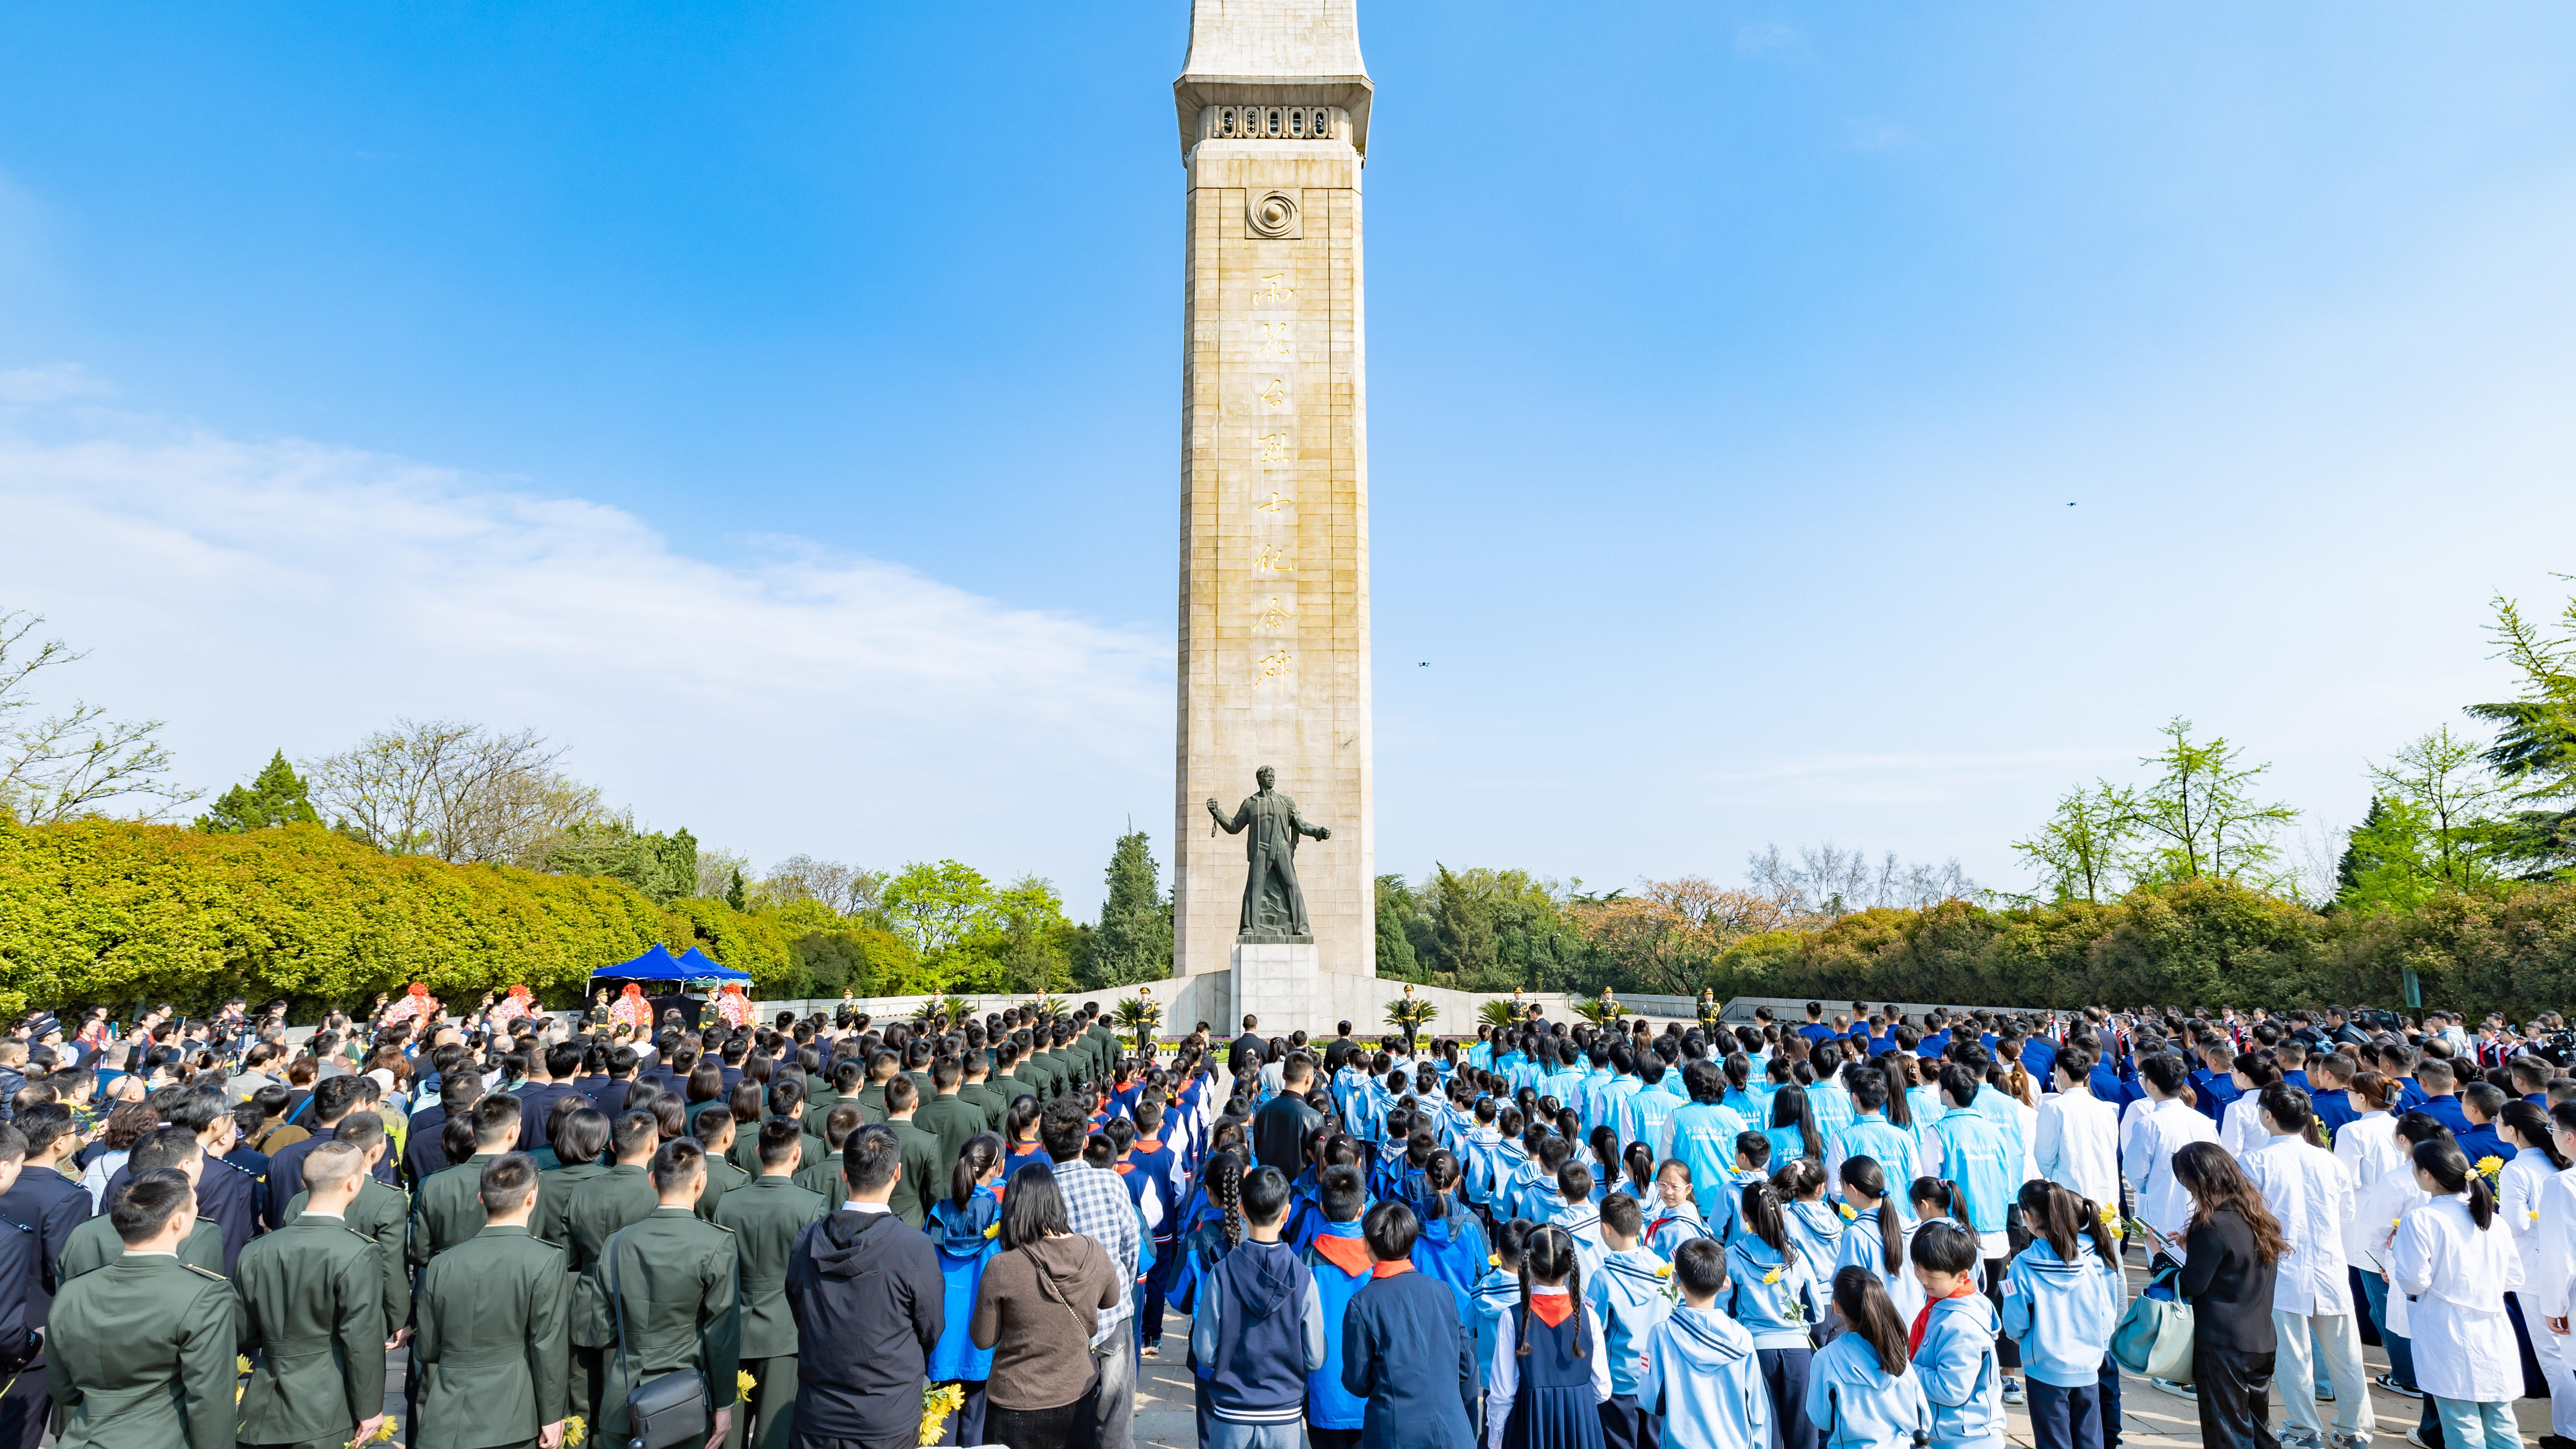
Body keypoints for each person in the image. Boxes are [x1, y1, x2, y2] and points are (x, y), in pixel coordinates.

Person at [42, 1170, 236, 1449]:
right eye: (194, 1205)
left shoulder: (74, 1290)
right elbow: (211, 1398)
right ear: (178, 1221)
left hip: (83, 1438)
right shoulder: (205, 1293)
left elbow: (63, 1388)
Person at [785, 1124, 946, 1449]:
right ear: (897, 1173)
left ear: (845, 1174)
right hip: (884, 1416)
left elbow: (799, 1307)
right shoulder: (913, 1246)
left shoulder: (806, 1239)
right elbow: (931, 1328)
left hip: (820, 1415)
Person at [2239, 1083, 2372, 1449]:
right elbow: (2346, 1213)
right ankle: (2354, 1429)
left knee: (2293, 1354)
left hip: (2281, 1268)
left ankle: (2304, 1429)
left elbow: (2247, 1219)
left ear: (2267, 1116)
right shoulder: (2328, 1160)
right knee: (2345, 1354)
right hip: (2328, 1264)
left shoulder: (2253, 1160)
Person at [231, 1140, 389, 1449]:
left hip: (263, 1399)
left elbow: (243, 1332)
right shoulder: (358, 1252)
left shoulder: (256, 1250)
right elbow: (362, 1338)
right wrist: (369, 1409)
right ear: (354, 1183)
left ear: (305, 1183)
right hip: (325, 1404)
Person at [409, 1153, 571, 1449]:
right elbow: (547, 1345)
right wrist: (552, 1416)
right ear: (532, 1198)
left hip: (446, 1412)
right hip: (512, 1415)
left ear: (481, 1199)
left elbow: (428, 1348)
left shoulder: (441, 1263)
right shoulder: (545, 1259)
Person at [592, 1138, 741, 1449]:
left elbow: (600, 1329)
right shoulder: (715, 1243)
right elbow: (721, 1334)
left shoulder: (617, 1243)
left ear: (652, 1180)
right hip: (683, 1400)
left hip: (625, 1396)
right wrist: (724, 1404)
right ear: (702, 1181)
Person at [971, 1162, 1122, 1449]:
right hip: (1077, 1395)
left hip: (1013, 1401)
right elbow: (1111, 1299)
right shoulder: (1093, 1250)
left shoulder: (1002, 1266)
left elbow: (983, 1339)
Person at [2393, 1139, 2524, 1449]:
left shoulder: (2421, 1219)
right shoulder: (2492, 1219)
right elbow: (2515, 1277)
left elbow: (2413, 1282)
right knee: (2501, 1422)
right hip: (2492, 1327)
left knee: (2460, 1423)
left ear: (2426, 1174)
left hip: (2445, 1328)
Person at [1191, 1163, 1325, 1448]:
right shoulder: (1303, 1277)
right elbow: (1314, 1358)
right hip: (1284, 1416)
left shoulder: (1222, 1273)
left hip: (1231, 1414)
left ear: (1240, 1208)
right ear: (1287, 1213)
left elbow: (1204, 1351)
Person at [717, 1119, 830, 1449]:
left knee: (728, 1435)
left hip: (733, 1328)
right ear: (797, 1155)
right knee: (773, 1435)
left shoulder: (727, 1202)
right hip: (785, 1333)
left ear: (757, 1152)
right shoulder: (811, 1204)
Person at [1040, 1097, 1142, 1449]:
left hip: (1058, 1321)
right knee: (1114, 1419)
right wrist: (1121, 1287)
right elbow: (1132, 1248)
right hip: (1111, 1316)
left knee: (1069, 1419)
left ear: (1043, 1144)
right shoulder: (1111, 1183)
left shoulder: (1037, 1193)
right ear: (1085, 1141)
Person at [2168, 1142, 2285, 1449]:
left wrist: (2160, 1260)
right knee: (2260, 1429)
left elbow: (2191, 1285)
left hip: (2224, 1343)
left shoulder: (2212, 1224)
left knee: (2227, 1432)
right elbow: (2235, 1265)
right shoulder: (2260, 1218)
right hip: (2261, 1338)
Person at [1998, 1182, 2122, 1449]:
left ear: (2029, 1217)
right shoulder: (2094, 1253)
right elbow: (2107, 1311)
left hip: (2045, 1367)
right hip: (2089, 1365)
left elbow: (2015, 1320)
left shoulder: (2023, 1264)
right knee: (2090, 1440)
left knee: (2054, 1442)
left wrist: (2018, 1336)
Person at [1483, 1223, 1609, 1449]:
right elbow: (1603, 1390)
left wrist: (1495, 1440)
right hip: (1580, 1427)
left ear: (1528, 1265)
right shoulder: (1590, 1317)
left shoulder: (1512, 1318)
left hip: (1530, 1426)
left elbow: (1502, 1395)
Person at [1640, 1237, 1767, 1449]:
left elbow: (1650, 1401)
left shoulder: (1662, 1334)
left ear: (1675, 1279)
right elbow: (1757, 1410)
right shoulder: (1742, 1337)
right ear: (1725, 1283)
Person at [927, 1136, 1005, 1449]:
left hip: (942, 1340)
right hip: (982, 1342)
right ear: (996, 1169)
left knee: (939, 1434)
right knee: (977, 1434)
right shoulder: (999, 1216)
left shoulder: (938, 1214)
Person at [1805, 1266, 1928, 1449]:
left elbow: (1820, 1418)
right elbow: (1924, 1418)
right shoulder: (1897, 1350)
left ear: (1836, 1306)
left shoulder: (1826, 1358)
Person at [1585, 1193, 1673, 1449]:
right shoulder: (1663, 1269)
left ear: (1605, 1228)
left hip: (1619, 1384)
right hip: (1656, 1379)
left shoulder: (1604, 1278)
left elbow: (1593, 1332)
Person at [1907, 1219, 2005, 1449]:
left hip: (1964, 1439)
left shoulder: (1961, 1325)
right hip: (1952, 1433)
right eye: (1917, 1268)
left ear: (1962, 1276)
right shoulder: (1943, 1302)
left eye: (1932, 1275)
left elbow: (1952, 1390)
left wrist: (1907, 1370)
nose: (1922, 1279)